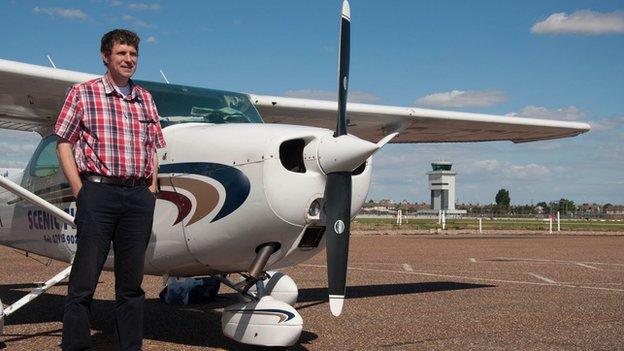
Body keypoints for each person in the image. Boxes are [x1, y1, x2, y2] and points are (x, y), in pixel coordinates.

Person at [55, 29, 166, 351]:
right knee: (84, 281)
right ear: (106, 57)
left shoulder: (145, 97)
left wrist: (151, 187)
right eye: (121, 54)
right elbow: (64, 142)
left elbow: (154, 147)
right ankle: (75, 346)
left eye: (133, 54)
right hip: (98, 193)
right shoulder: (82, 93)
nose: (128, 60)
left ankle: (129, 347)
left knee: (131, 285)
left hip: (137, 197)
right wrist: (80, 189)